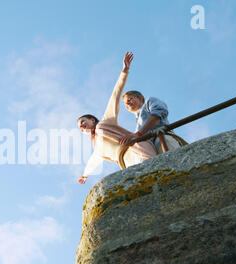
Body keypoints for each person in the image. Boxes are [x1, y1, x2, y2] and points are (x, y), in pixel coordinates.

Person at [77, 52, 157, 184]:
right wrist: (85, 175)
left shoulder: (105, 123)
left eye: (83, 122)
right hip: (129, 164)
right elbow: (93, 161)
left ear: (92, 119)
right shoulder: (97, 148)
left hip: (139, 150)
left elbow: (115, 94)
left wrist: (124, 71)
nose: (82, 127)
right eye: (80, 127)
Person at [120, 91, 187, 153]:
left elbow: (159, 112)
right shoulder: (138, 122)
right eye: (125, 103)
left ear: (139, 98)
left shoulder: (149, 101)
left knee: (174, 160)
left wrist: (138, 134)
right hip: (150, 149)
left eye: (129, 99)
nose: (127, 103)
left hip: (162, 139)